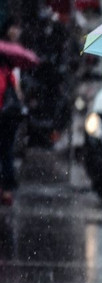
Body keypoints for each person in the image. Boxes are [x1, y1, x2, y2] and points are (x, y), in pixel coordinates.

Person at [0, 17, 25, 206]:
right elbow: (16, 93)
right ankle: (7, 188)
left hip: (5, 116)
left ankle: (6, 188)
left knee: (5, 151)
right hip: (9, 117)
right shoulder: (9, 71)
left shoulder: (6, 72)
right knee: (6, 151)